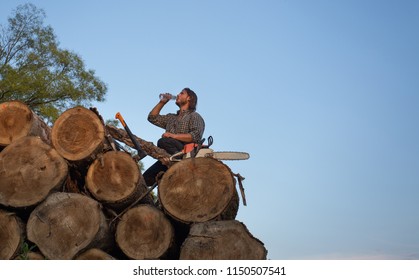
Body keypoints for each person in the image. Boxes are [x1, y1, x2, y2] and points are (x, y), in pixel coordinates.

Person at [143, 88, 205, 186]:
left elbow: (195, 136)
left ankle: (180, 162)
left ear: (189, 98)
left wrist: (173, 136)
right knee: (144, 179)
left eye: (182, 93)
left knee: (163, 142)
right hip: (168, 156)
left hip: (186, 154)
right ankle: (172, 162)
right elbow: (152, 118)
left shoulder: (194, 116)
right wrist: (162, 102)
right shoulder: (171, 118)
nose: (178, 95)